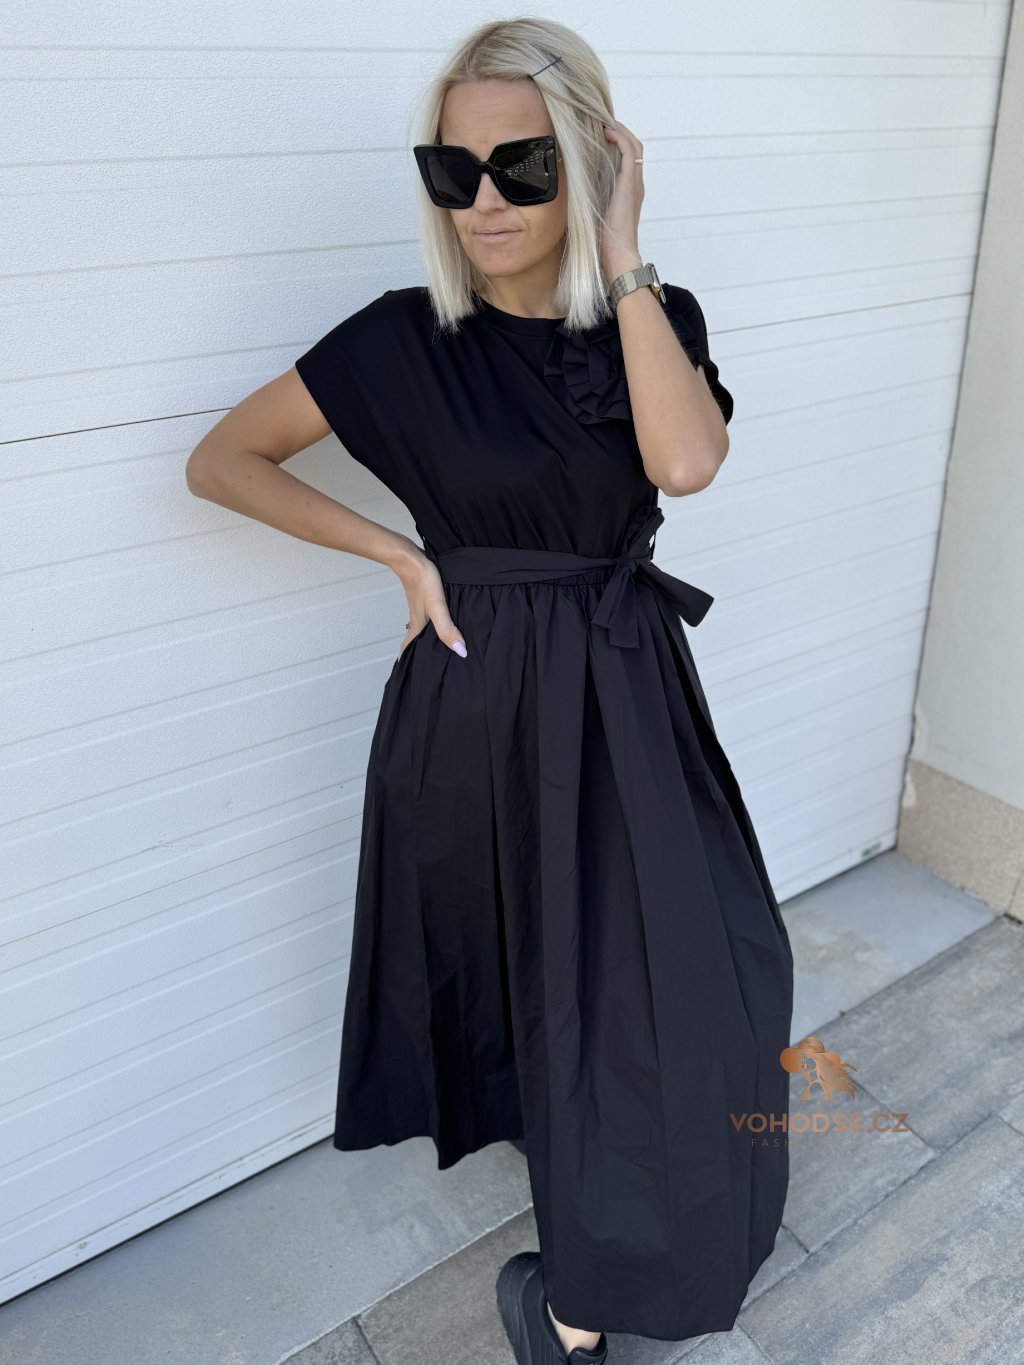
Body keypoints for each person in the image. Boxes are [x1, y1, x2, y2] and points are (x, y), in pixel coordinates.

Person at [185, 17, 794, 1365]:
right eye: (451, 172)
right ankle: (570, 1306)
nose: (485, 202)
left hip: (627, 692)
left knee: (687, 982)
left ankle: (600, 1269)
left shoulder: (651, 317)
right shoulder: (402, 341)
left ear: (586, 160)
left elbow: (686, 465)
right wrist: (400, 557)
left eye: (523, 165)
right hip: (477, 710)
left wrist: (625, 254)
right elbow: (223, 461)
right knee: (550, 996)